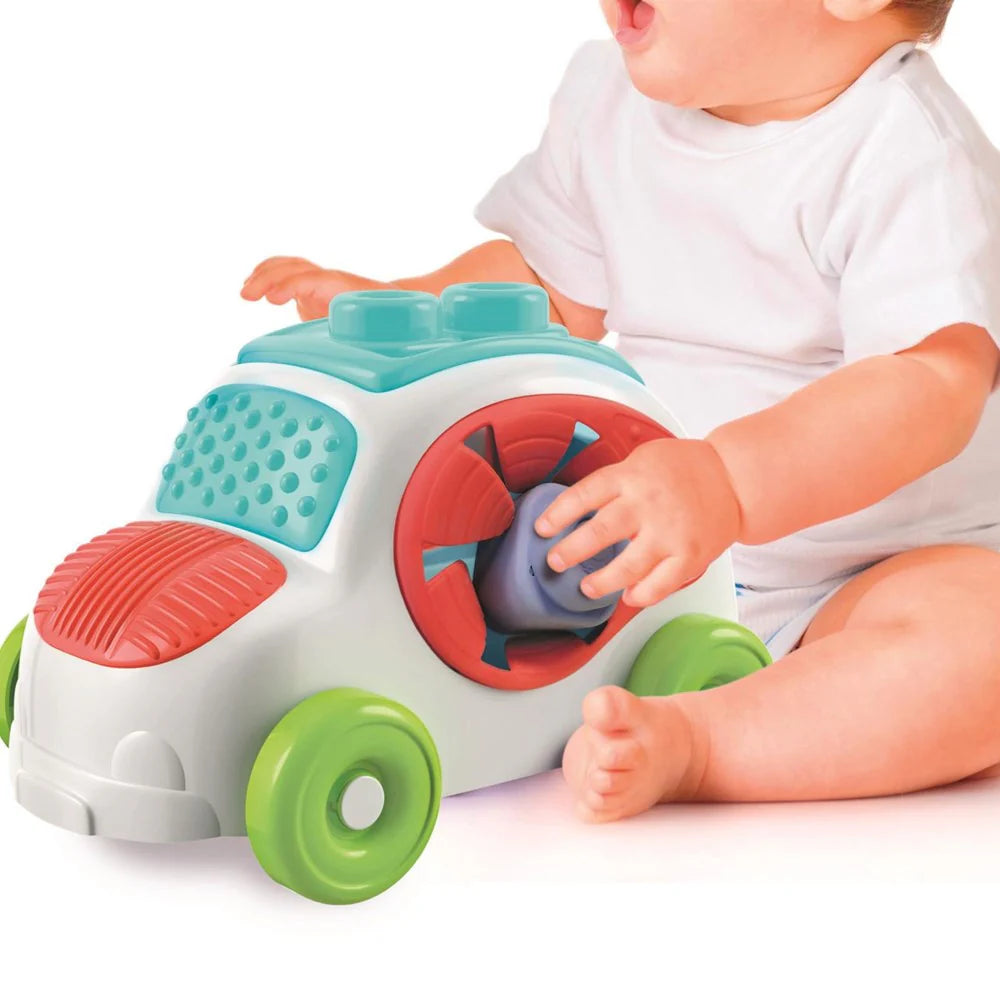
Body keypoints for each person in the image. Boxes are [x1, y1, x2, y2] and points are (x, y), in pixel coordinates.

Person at [242, 0, 1000, 822]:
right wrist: (412, 312)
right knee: (458, 525)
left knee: (982, 644)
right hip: (641, 557)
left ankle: (704, 741)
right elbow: (546, 287)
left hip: (868, 579)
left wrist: (728, 481)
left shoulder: (907, 154)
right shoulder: (609, 100)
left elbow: (929, 383)